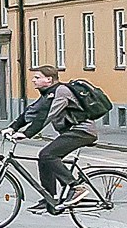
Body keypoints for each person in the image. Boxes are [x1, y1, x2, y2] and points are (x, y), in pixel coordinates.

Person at [12, 64, 99, 210]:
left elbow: (46, 115)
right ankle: (49, 197)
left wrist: (26, 133)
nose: (33, 80)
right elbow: (32, 111)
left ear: (49, 79)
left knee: (48, 155)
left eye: (37, 77)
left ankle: (77, 187)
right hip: (72, 131)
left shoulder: (61, 92)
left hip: (82, 132)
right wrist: (12, 127)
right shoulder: (48, 93)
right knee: (44, 157)